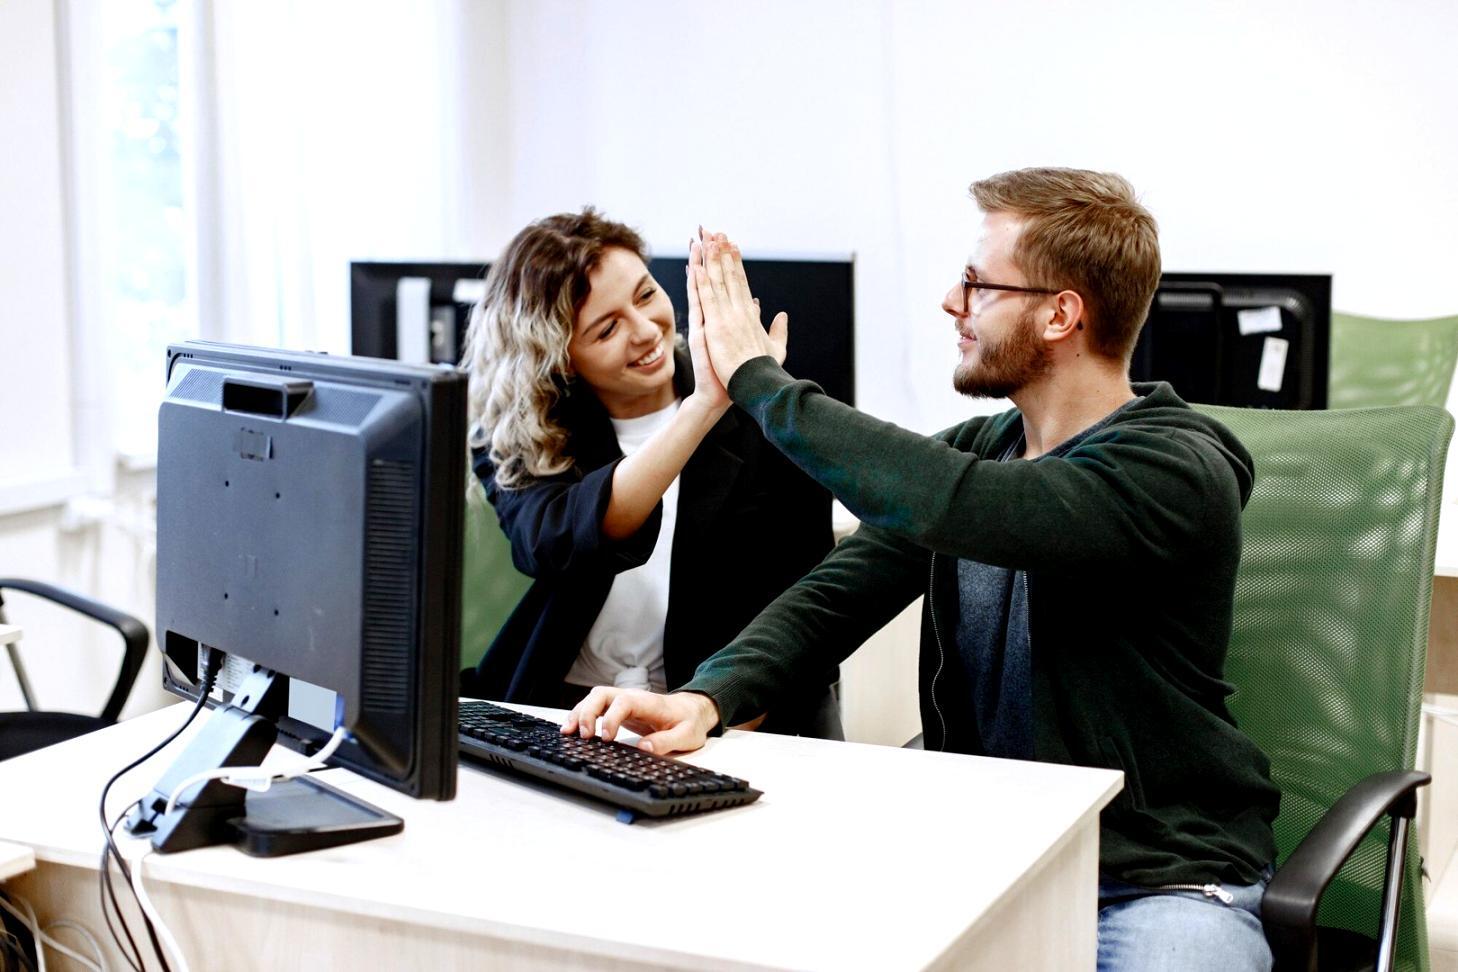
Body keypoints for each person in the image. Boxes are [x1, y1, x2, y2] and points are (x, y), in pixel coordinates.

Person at [563, 170, 1282, 970]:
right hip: (987, 865)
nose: (951, 301)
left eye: (977, 283)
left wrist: (759, 381)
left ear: (1060, 313)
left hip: (1161, 879)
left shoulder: (1173, 468)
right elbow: (838, 593)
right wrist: (708, 696)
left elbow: (965, 505)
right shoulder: (985, 450)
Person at [459, 208, 839, 738]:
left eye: (644, 295)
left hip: (728, 718)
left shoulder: (768, 414)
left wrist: (722, 724)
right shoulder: (521, 435)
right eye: (607, 328)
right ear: (561, 357)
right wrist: (703, 407)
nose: (645, 331)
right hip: (565, 712)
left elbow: (806, 608)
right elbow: (555, 540)